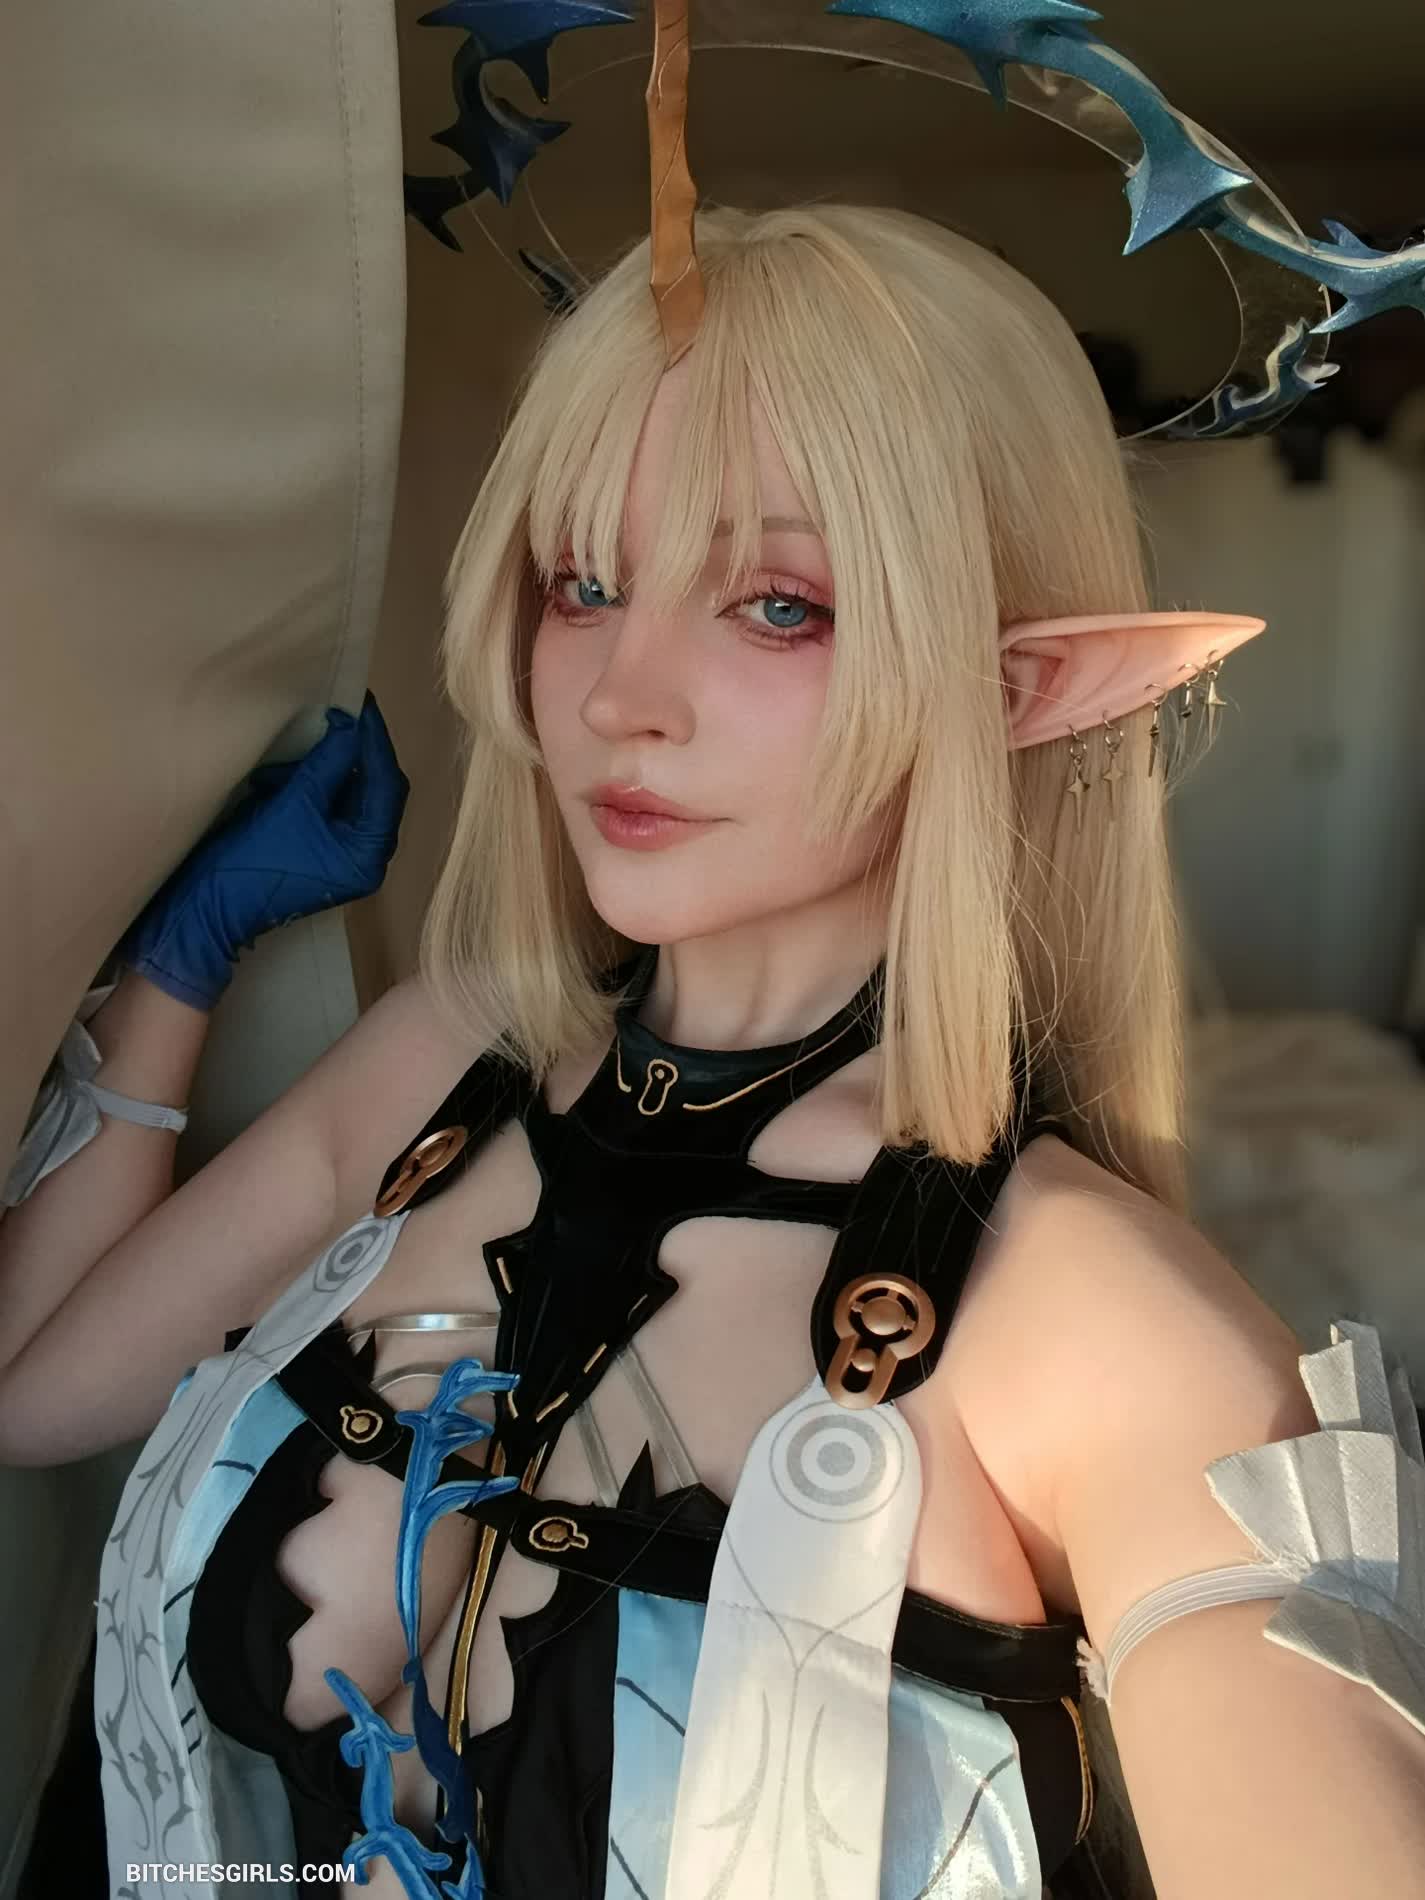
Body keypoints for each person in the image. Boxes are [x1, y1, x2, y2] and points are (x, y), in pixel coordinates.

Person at [2, 204, 1423, 1900]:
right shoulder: (446, 1057)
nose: (621, 696)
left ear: (1021, 683)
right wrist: (177, 963)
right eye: (584, 584)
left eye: (775, 604)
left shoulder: (1091, 1316)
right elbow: (41, 1391)